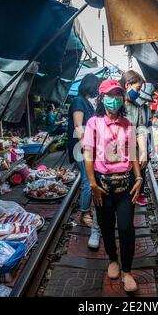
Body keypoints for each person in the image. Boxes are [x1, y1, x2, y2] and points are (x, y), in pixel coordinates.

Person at [83, 79, 143, 293]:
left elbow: (134, 153)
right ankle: (113, 259)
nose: (114, 99)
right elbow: (87, 154)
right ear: (102, 98)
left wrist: (138, 178)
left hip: (125, 184)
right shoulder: (93, 123)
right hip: (102, 185)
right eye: (110, 95)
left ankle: (127, 271)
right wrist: (92, 183)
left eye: (118, 95)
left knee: (126, 227)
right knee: (106, 226)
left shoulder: (128, 124)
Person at [67, 73, 102, 249]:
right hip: (81, 148)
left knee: (87, 180)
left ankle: (85, 209)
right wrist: (86, 147)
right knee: (88, 181)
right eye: (97, 86)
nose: (98, 90)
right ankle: (84, 212)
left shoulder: (86, 101)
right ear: (90, 86)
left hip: (86, 147)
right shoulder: (79, 101)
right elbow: (78, 125)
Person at [119, 70, 149, 206]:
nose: (138, 92)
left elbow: (140, 128)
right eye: (138, 88)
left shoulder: (136, 106)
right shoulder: (115, 105)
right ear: (127, 85)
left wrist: (143, 151)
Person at [135, 83, 155, 206]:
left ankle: (140, 193)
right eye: (143, 99)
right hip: (132, 143)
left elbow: (146, 127)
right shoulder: (131, 106)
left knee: (142, 167)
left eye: (146, 100)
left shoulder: (147, 109)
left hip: (143, 141)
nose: (144, 102)